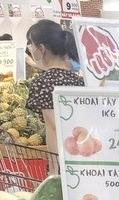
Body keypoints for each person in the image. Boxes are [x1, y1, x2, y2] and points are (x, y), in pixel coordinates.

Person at [26, 20, 84, 159]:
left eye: (31, 44)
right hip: (80, 155)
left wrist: (53, 170)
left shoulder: (43, 83)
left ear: (41, 49)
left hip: (60, 158)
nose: (29, 48)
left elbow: (54, 127)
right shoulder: (78, 81)